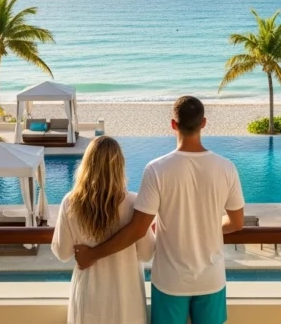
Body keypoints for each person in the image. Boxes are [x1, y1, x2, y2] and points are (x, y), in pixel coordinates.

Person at [75, 96, 244, 324]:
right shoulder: (226, 168)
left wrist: (93, 254)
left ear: (173, 124)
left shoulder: (157, 169)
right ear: (203, 123)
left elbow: (137, 229)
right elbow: (236, 223)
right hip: (211, 280)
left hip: (170, 281)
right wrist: (205, 228)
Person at [52, 136, 155, 324]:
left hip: (88, 300)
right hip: (126, 303)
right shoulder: (134, 203)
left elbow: (63, 253)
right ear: (120, 166)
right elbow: (147, 254)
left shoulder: (71, 202)